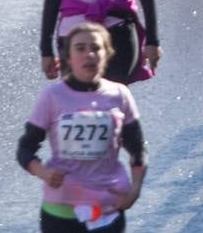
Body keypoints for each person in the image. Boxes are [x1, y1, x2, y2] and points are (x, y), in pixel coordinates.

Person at [20, 22, 148, 233]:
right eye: (80, 48)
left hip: (107, 209)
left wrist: (135, 189)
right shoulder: (52, 96)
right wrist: (43, 172)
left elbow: (138, 149)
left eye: (96, 48)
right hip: (61, 210)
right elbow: (25, 149)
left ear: (106, 54)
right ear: (68, 58)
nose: (89, 54)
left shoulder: (120, 95)